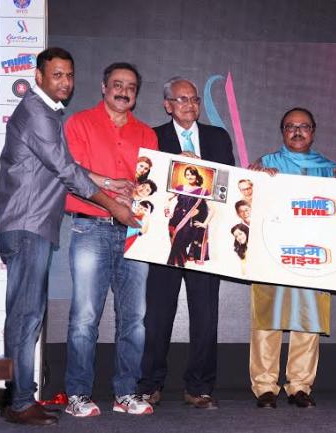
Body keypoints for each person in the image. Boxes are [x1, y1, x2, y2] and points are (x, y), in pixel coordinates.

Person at [0, 48, 139, 426]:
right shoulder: (37, 112)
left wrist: (107, 181)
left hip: (32, 225)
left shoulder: (46, 113)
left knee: (28, 314)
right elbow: (66, 172)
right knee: (26, 316)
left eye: (69, 75)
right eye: (57, 75)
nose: (65, 82)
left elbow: (67, 166)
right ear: (39, 77)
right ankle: (19, 402)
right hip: (27, 224)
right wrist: (114, 206)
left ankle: (18, 397)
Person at [62, 62, 159, 418]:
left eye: (131, 86)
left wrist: (142, 192)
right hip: (91, 228)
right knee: (85, 316)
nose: (123, 91)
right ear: (104, 87)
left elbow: (150, 186)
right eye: (117, 84)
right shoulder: (79, 123)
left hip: (134, 232)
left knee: (134, 319)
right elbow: (72, 173)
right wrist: (110, 186)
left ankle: (126, 393)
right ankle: (77, 395)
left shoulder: (147, 134)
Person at [138, 77, 234, 409]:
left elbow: (229, 185)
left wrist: (201, 170)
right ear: (167, 105)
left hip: (206, 236)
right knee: (157, 315)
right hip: (163, 238)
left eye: (194, 99)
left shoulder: (217, 137)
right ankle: (150, 384)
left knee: (205, 316)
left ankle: (199, 387)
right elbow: (145, 184)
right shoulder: (152, 137)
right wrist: (177, 165)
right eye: (181, 99)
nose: (190, 105)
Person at [249, 107, 336, 409]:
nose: (297, 131)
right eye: (291, 126)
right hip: (272, 255)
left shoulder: (331, 171)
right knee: (268, 319)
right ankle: (265, 386)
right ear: (282, 131)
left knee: (308, 320)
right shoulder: (265, 165)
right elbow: (245, 205)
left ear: (313, 132)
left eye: (304, 126)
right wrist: (252, 181)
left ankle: (300, 385)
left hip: (313, 256)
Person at [165, 166, 213, 266]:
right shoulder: (180, 188)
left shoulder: (203, 191)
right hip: (175, 221)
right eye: (187, 174)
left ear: (196, 176)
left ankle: (173, 265)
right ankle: (180, 266)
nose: (190, 176)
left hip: (189, 224)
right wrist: (167, 210)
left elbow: (212, 209)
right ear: (185, 176)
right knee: (176, 247)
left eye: (192, 174)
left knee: (179, 246)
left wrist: (204, 224)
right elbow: (167, 198)